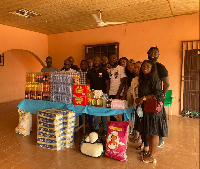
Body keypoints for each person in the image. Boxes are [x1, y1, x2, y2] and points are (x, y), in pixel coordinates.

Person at [136, 60, 168, 163]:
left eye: (147, 67)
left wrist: (144, 98)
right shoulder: (145, 79)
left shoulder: (154, 78)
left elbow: (158, 94)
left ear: (152, 68)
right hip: (147, 110)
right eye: (143, 66)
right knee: (150, 131)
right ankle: (149, 153)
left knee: (154, 132)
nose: (145, 68)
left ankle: (152, 156)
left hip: (154, 111)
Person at [147, 46, 170, 147]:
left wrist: (161, 94)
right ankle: (149, 139)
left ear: (159, 55)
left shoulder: (160, 67)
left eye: (155, 53)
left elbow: (167, 84)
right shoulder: (146, 66)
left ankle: (159, 139)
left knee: (157, 119)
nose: (152, 55)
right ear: (147, 53)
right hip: (147, 97)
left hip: (156, 98)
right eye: (151, 53)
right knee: (149, 119)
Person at [87, 56, 110, 136]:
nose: (96, 62)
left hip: (102, 95)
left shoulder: (104, 72)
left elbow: (107, 83)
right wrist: (89, 94)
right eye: (95, 61)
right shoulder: (89, 72)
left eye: (98, 61)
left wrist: (106, 94)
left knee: (103, 112)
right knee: (95, 112)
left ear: (100, 62)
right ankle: (96, 128)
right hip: (93, 95)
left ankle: (105, 129)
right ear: (93, 62)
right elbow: (88, 84)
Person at [128, 61, 142, 141]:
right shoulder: (134, 79)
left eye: (138, 67)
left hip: (142, 103)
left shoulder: (144, 79)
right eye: (135, 67)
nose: (136, 69)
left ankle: (140, 137)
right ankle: (136, 135)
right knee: (136, 119)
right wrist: (131, 100)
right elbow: (133, 92)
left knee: (141, 120)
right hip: (135, 103)